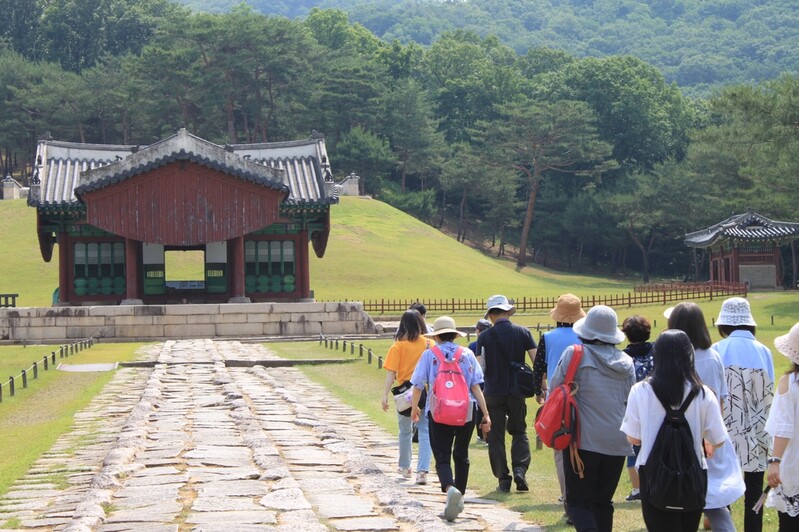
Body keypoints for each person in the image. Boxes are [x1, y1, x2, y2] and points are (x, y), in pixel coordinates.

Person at [621, 329, 728, 532]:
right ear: (689, 354)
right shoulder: (703, 392)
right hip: (693, 472)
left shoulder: (641, 390)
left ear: (657, 355)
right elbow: (719, 439)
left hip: (652, 472)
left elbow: (633, 439)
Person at [550, 305, 635, 532]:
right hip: (618, 442)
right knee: (603, 503)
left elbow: (555, 390)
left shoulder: (575, 353)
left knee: (578, 503)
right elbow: (631, 400)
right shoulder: (627, 362)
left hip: (582, 440)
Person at [667, 302, 744, 532]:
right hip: (710, 435)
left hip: (678, 434)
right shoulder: (713, 356)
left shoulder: (672, 359)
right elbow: (720, 400)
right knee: (715, 498)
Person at [410, 316, 491, 522]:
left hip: (438, 411)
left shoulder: (430, 355)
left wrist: (414, 409)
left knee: (442, 454)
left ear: (436, 336)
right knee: (461, 453)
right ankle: (460, 495)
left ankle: (449, 488)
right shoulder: (467, 354)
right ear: (455, 335)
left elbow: (418, 385)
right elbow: (476, 386)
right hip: (467, 410)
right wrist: (486, 413)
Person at [712, 297, 774, 532]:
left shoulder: (718, 349)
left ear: (725, 323)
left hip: (725, 428)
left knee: (723, 488)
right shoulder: (764, 351)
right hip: (758, 429)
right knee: (755, 489)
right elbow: (769, 392)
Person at [475, 294, 537, 492]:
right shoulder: (523, 332)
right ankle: (520, 469)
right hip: (517, 390)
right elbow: (536, 361)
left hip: (493, 390)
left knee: (495, 436)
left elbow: (479, 368)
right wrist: (540, 386)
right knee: (519, 431)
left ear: (491, 314)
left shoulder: (484, 337)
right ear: (507, 311)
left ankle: (503, 478)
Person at [532, 293, 585, 515]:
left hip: (557, 397)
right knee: (583, 444)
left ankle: (567, 495)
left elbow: (539, 367)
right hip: (583, 395)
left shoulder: (548, 337)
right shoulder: (584, 336)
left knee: (560, 446)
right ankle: (582, 493)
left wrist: (538, 391)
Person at [381, 309, 432, 485]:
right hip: (424, 390)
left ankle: (405, 467)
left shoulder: (398, 346)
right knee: (425, 431)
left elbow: (391, 373)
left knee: (405, 431)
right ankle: (423, 470)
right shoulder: (429, 344)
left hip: (405, 392)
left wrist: (385, 394)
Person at [765, 322, 799, 530]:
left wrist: (774, 461)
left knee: (789, 525)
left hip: (794, 464)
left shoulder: (789, 383)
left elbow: (783, 426)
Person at [620, 314, 654, 503]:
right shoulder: (657, 350)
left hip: (632, 404)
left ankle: (637, 489)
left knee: (634, 447)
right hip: (657, 403)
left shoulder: (623, 356)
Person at [469, 318, 492, 442]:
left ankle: (480, 434)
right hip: (492, 378)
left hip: (477, 379)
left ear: (478, 330)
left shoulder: (473, 345)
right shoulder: (494, 343)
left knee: (479, 405)